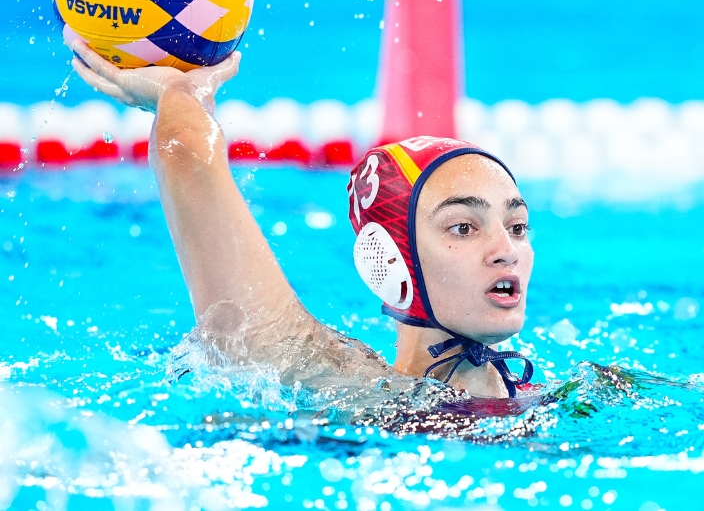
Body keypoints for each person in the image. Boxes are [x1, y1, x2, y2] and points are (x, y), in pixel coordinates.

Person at [69, 40, 537, 408]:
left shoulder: (567, 395)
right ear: (391, 261)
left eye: (516, 226)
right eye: (463, 227)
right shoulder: (353, 389)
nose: (506, 249)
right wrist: (179, 96)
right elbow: (191, 162)